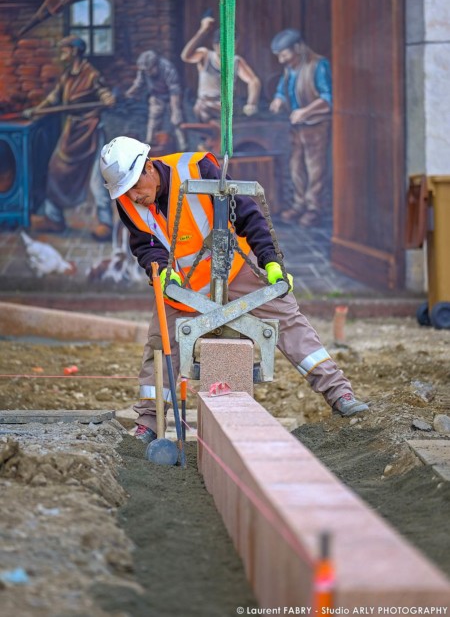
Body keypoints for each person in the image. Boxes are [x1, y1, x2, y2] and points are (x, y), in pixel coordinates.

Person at [99, 136, 369, 443]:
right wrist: (160, 273)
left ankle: (340, 394)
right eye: (125, 191)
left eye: (135, 187)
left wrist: (270, 262)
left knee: (287, 318)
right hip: (185, 282)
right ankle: (149, 423)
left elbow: (247, 213)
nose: (133, 196)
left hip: (238, 266)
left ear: (148, 167)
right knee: (161, 341)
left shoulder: (197, 169)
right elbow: (145, 244)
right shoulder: (128, 201)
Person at [24, 35, 115, 241]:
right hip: (72, 131)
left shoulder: (92, 74)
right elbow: (53, 98)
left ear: (74, 51)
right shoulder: (67, 77)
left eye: (64, 50)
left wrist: (108, 99)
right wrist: (37, 110)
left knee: (96, 179)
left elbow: (104, 93)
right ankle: (54, 218)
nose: (62, 54)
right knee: (55, 170)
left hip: (90, 130)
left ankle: (105, 223)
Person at [270, 28, 332, 228]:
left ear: (298, 48)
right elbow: (282, 89)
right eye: (279, 56)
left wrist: (305, 112)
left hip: (315, 125)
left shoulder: (318, 65)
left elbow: (327, 98)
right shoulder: (290, 69)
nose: (281, 60)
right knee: (296, 167)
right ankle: (299, 204)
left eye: (284, 54)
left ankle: (314, 208)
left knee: (315, 169)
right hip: (297, 127)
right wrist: (279, 99)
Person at [181, 16, 261, 122]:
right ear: (216, 45)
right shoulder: (205, 55)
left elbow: (254, 81)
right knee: (204, 111)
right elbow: (186, 56)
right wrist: (202, 31)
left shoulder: (235, 61)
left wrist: (251, 103)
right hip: (206, 107)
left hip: (226, 108)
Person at [125, 50, 186, 151]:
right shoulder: (143, 70)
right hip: (156, 96)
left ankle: (183, 147)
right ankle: (150, 144)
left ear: (156, 64)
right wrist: (129, 93)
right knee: (153, 120)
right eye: (146, 71)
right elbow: (139, 83)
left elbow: (174, 90)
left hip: (172, 96)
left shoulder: (167, 68)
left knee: (177, 121)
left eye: (150, 70)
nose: (148, 73)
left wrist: (175, 111)